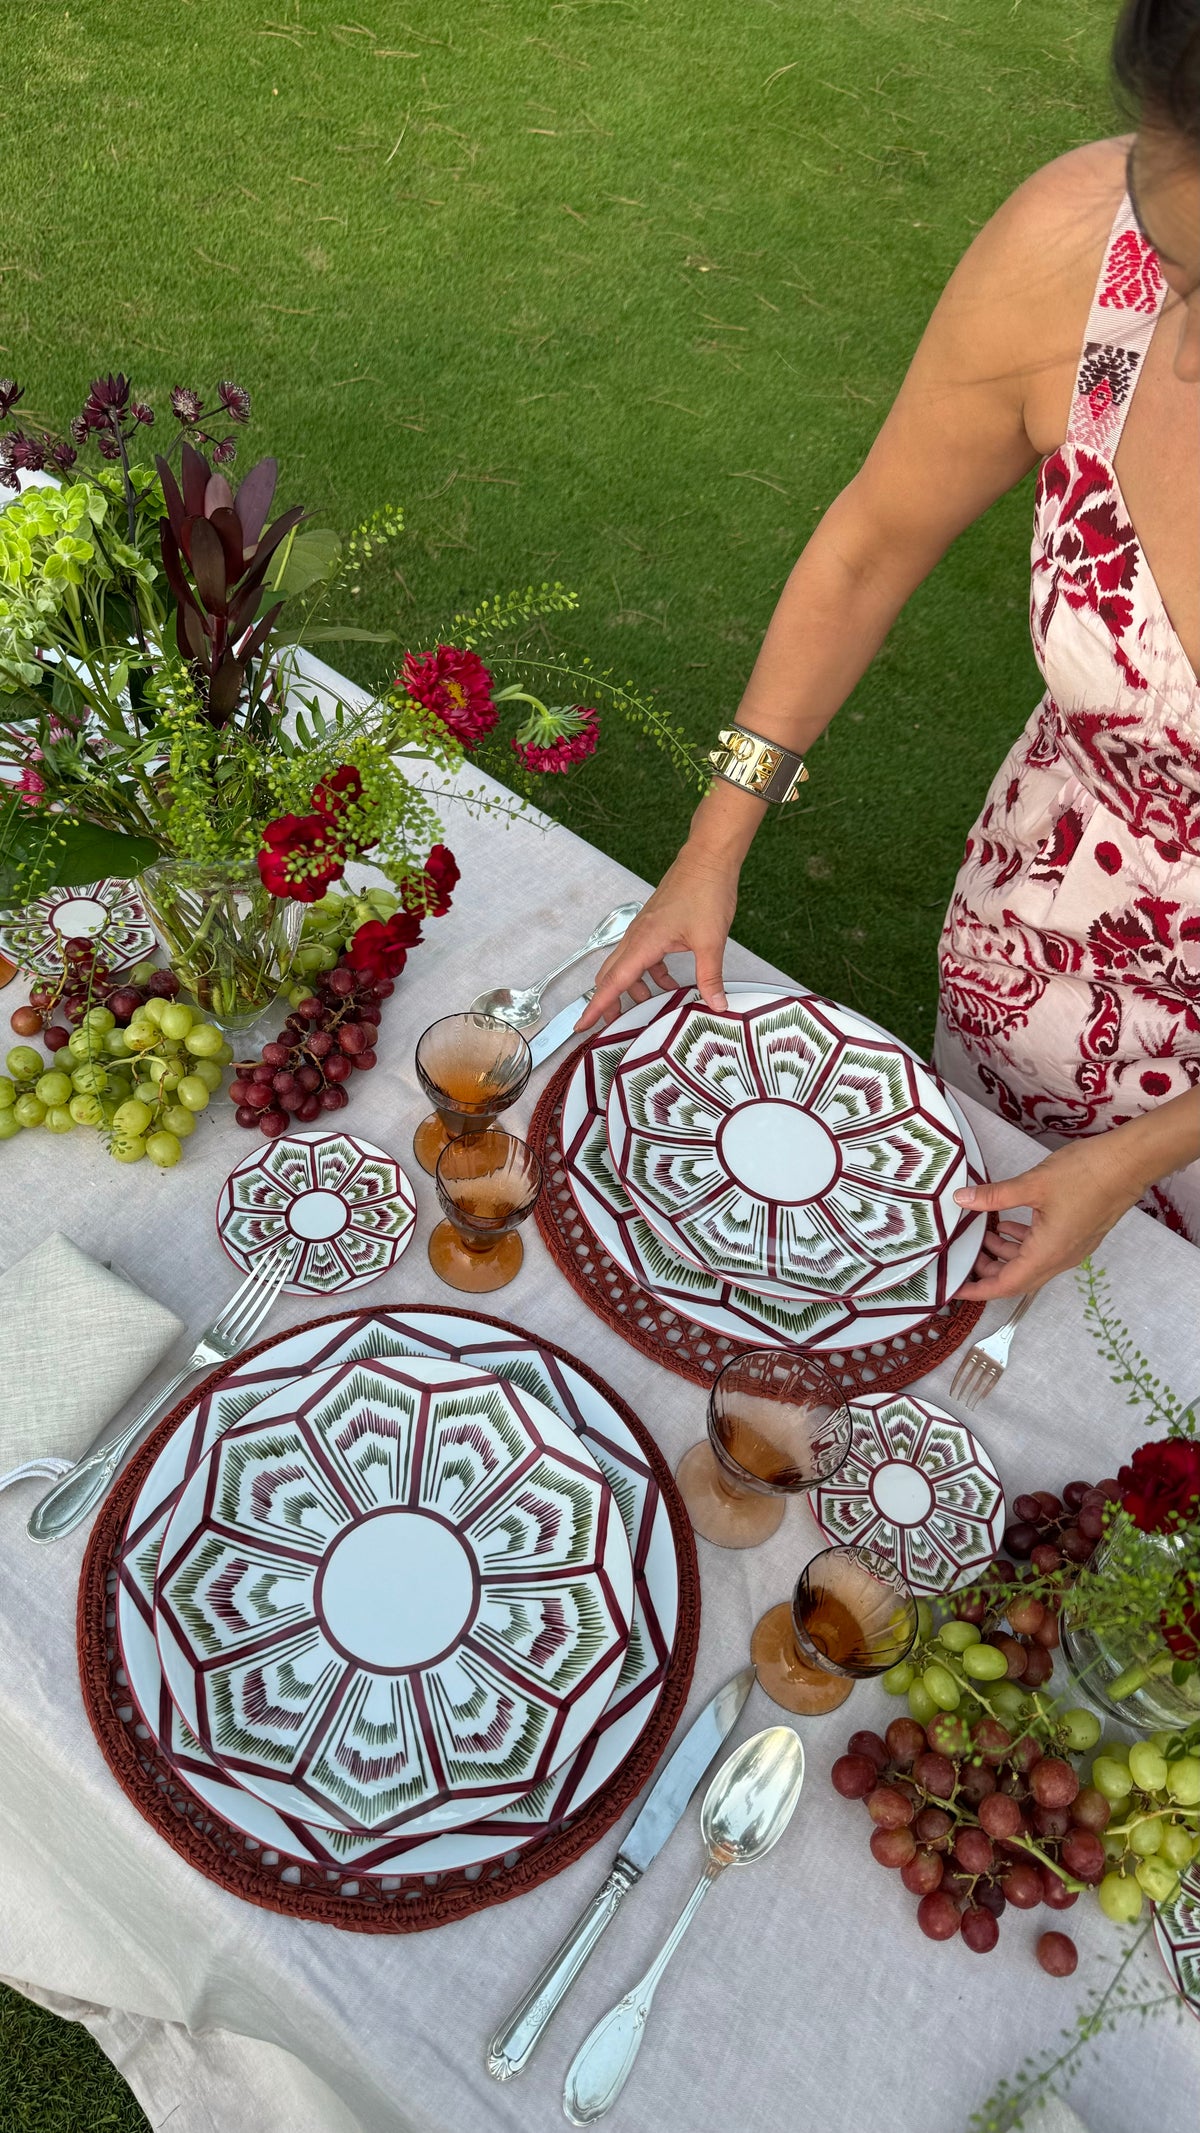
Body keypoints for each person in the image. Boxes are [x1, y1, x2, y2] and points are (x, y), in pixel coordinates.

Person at [579, 0, 1200, 1301]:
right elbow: (870, 544)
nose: (1180, 342)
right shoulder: (1088, 257)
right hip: (1032, 967)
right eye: (1184, 273)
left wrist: (1148, 1152)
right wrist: (714, 839)